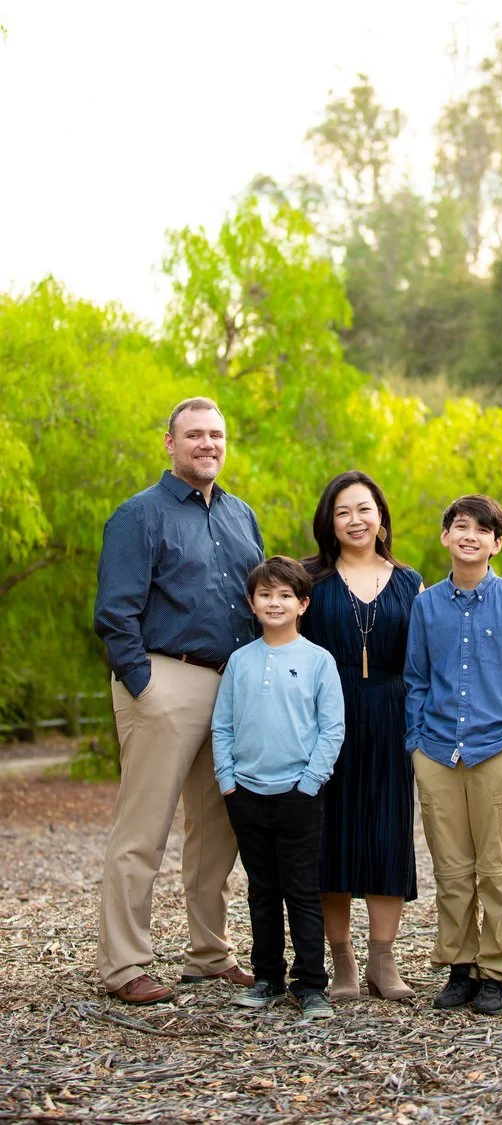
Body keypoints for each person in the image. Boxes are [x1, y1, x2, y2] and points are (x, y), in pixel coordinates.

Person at [94, 396, 264, 1004]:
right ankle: (125, 964)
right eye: (194, 435)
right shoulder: (139, 515)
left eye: (216, 435)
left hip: (232, 686)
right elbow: (115, 613)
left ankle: (208, 954)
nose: (207, 444)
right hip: (166, 681)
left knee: (218, 831)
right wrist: (144, 685)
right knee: (144, 829)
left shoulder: (243, 516)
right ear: (170, 444)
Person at [404, 495, 502, 1016]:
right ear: (445, 537)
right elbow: (417, 678)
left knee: (500, 868)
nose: (470, 536)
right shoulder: (427, 605)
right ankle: (460, 967)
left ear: (496, 543)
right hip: (439, 751)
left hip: (497, 750)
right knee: (451, 868)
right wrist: (416, 741)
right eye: (460, 527)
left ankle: (500, 971)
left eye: (482, 530)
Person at [300, 470, 422, 1001]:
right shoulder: (310, 582)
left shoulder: (410, 583)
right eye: (343, 511)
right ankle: (342, 958)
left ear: (381, 517)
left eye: (364, 509)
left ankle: (382, 958)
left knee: (387, 833)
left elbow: (426, 661)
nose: (355, 519)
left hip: (393, 714)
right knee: (332, 835)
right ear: (328, 520)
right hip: (326, 719)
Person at [211, 556, 345, 1019]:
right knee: (261, 890)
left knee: (302, 892)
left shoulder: (317, 661)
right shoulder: (240, 661)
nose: (275, 602)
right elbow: (222, 727)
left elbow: (332, 730)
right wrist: (228, 781)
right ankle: (267, 976)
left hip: (298, 795)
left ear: (303, 604)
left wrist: (309, 784)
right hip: (246, 794)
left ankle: (311, 986)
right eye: (265, 595)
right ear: (251, 603)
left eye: (285, 595)